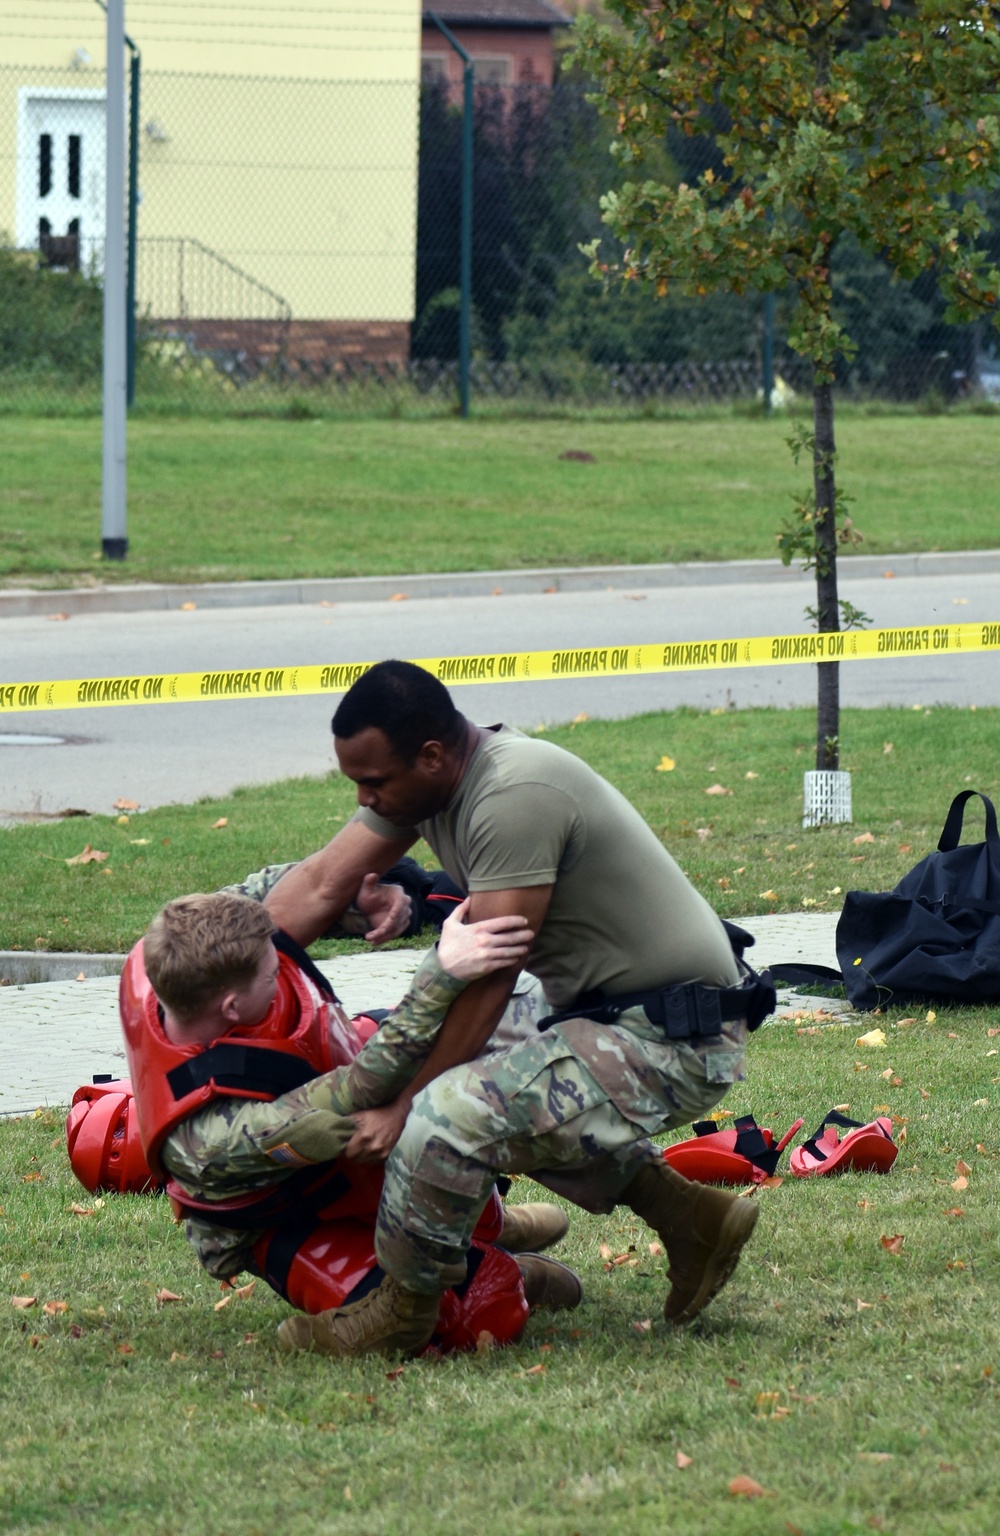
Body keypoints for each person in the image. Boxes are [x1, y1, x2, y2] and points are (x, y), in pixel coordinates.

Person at [256, 660, 776, 1359]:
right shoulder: (428, 787)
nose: (364, 798)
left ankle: (405, 1310)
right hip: (605, 1013)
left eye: (374, 783)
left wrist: (404, 1105)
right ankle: (689, 1216)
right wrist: (224, 966)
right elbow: (321, 883)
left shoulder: (511, 795)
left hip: (674, 1039)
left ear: (432, 755)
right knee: (420, 1051)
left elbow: (490, 978)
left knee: (445, 1115)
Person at [120, 888, 582, 1356]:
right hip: (285, 1216)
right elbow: (362, 1086)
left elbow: (285, 888)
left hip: (338, 1137)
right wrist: (441, 973)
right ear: (232, 1009)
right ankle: (501, 1263)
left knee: (431, 1121)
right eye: (269, 971)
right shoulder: (209, 1139)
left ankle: (490, 1229)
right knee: (467, 1320)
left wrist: (362, 901)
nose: (282, 967)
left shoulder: (168, 952)